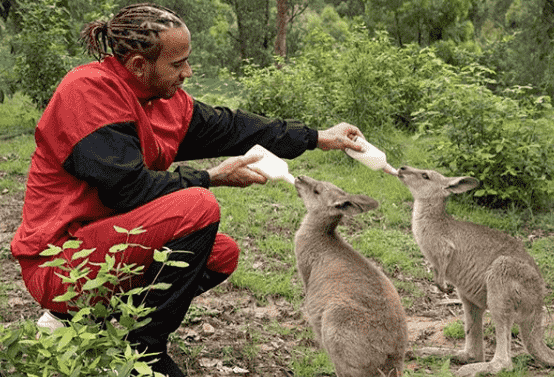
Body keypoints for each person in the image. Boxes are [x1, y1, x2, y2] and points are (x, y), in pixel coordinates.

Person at [10, 3, 364, 376]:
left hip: (107, 253)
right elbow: (127, 189)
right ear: (137, 65)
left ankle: (97, 325)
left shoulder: (164, 103)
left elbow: (233, 127)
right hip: (60, 265)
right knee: (197, 205)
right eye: (177, 64)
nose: (187, 72)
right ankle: (142, 354)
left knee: (221, 254)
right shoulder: (88, 93)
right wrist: (212, 176)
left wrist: (317, 137)